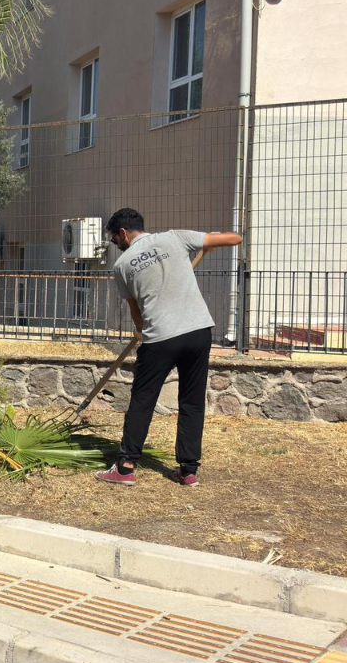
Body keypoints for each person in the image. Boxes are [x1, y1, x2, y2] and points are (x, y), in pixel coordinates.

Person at [94, 208, 242, 488]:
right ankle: (188, 471)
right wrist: (207, 242)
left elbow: (137, 313)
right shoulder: (176, 238)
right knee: (192, 401)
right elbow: (234, 239)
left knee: (142, 400)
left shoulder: (123, 265)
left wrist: (141, 332)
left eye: (114, 240)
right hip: (198, 331)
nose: (115, 245)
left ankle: (125, 468)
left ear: (123, 233)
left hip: (160, 337)